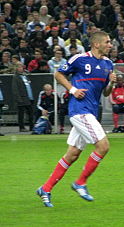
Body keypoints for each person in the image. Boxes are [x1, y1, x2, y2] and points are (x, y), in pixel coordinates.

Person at [36, 31, 116, 207]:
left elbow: (106, 92)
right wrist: (72, 90)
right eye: (108, 42)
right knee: (103, 146)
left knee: (72, 154)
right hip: (80, 111)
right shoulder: (79, 59)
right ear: (97, 44)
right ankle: (80, 182)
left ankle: (46, 188)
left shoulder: (108, 64)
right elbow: (58, 74)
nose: (110, 45)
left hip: (91, 112)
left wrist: (112, 83)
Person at [12, 62, 34, 132]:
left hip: (28, 97)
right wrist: (18, 98)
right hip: (21, 98)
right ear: (16, 68)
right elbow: (15, 89)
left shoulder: (25, 76)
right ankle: (21, 127)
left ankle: (32, 126)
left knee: (31, 112)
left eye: (22, 67)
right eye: (19, 67)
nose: (21, 68)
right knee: (21, 114)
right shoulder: (15, 77)